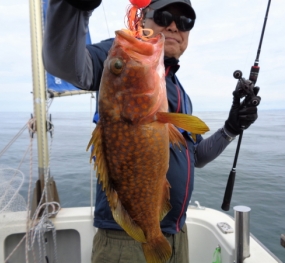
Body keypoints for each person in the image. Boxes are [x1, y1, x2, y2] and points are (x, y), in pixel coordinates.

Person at [42, 0, 260, 262]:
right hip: (124, 239)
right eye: (163, 15)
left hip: (175, 233)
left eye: (184, 21)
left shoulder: (178, 92)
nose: (173, 26)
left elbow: (195, 157)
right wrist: (74, 6)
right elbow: (63, 63)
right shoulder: (119, 58)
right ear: (142, 19)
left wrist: (230, 129)